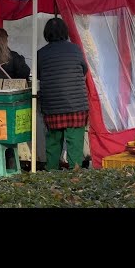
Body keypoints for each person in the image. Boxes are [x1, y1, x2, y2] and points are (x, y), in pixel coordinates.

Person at [37, 17, 89, 171]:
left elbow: (39, 75)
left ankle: (51, 171)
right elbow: (84, 70)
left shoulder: (41, 53)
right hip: (76, 105)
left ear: (46, 34)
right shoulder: (76, 49)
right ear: (65, 32)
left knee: (53, 141)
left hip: (53, 106)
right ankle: (75, 173)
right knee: (75, 142)